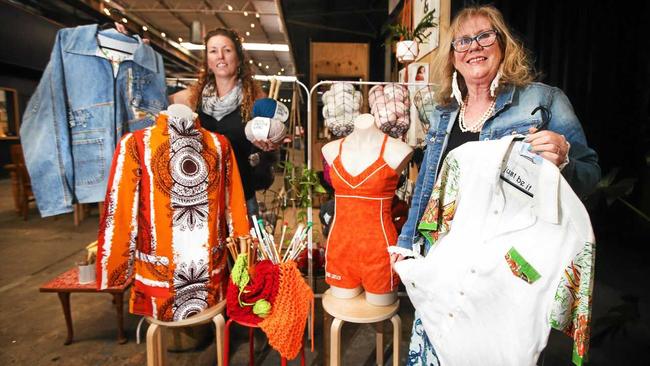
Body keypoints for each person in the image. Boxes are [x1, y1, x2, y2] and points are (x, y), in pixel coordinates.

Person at [391, 5, 600, 365]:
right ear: (453, 57)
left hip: (503, 273)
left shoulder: (543, 100)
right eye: (463, 41)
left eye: (484, 36)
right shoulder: (444, 114)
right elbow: (427, 185)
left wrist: (564, 158)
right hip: (445, 262)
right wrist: (407, 243)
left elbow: (590, 172)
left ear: (503, 44)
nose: (474, 46)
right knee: (436, 348)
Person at [169, 28, 274, 218]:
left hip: (241, 196)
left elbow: (271, 144)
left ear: (239, 58)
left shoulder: (256, 100)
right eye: (213, 51)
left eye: (227, 50)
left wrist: (268, 146)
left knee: (241, 249)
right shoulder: (193, 98)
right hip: (201, 200)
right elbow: (152, 101)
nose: (220, 56)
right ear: (208, 61)